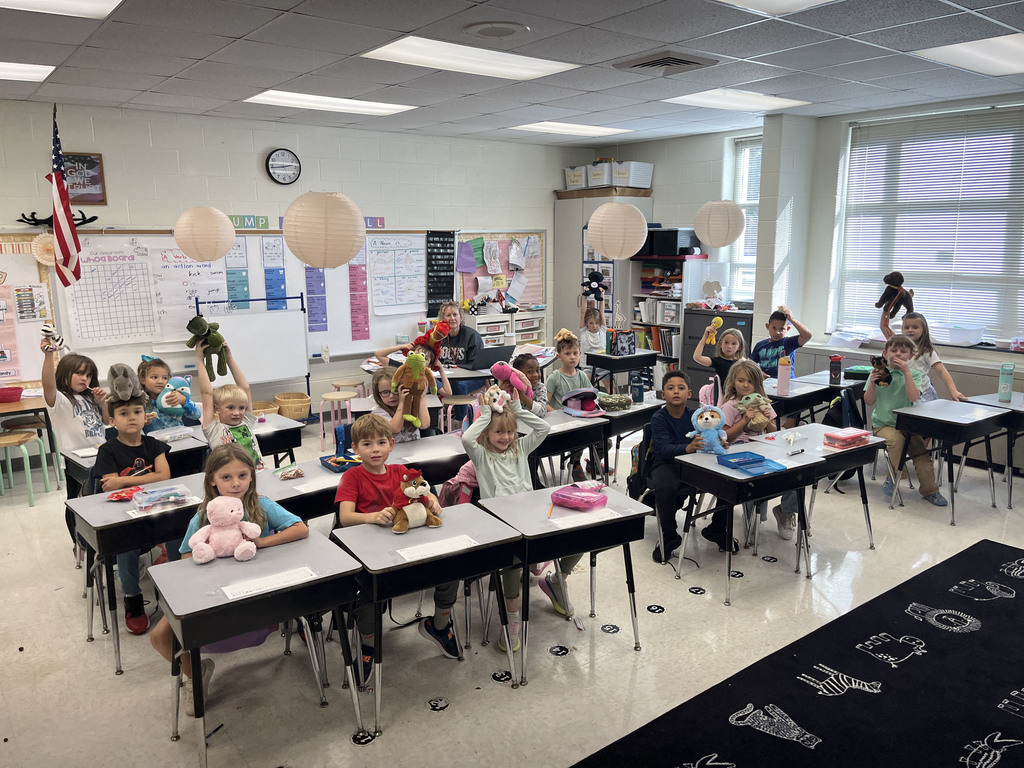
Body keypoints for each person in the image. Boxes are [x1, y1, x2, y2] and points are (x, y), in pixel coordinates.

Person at [149, 444, 309, 716]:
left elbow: (301, 528)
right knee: (160, 637)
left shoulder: (261, 506)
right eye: (226, 477)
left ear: (252, 478)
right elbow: (186, 554)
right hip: (213, 589)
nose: (236, 483)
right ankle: (194, 674)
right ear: (212, 480)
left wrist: (263, 542)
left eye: (243, 476)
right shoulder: (204, 516)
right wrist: (206, 561)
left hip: (256, 590)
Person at [335, 414, 460, 679]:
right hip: (370, 552)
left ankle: (439, 625)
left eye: (381, 442)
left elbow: (424, 495)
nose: (375, 449)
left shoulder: (401, 473)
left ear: (392, 444)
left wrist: (432, 503)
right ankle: (368, 645)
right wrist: (371, 516)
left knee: (450, 569)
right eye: (367, 444)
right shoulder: (351, 477)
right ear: (355, 449)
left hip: (405, 546)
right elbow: (345, 517)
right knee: (367, 594)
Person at [463, 388, 553, 648]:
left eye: (510, 431)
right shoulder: (481, 456)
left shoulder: (520, 449)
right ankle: (512, 618)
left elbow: (543, 428)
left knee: (573, 535)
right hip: (500, 524)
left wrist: (517, 408)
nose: (506, 437)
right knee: (513, 562)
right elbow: (468, 440)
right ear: (487, 434)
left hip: (528, 517)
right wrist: (486, 414)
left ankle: (554, 578)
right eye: (499, 432)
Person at [94, 388, 171, 635]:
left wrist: (125, 481)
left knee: (181, 531)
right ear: (112, 421)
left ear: (145, 415)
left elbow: (164, 476)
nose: (132, 417)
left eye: (137, 412)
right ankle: (133, 598)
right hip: (124, 514)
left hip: (156, 508)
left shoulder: (154, 444)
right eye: (124, 413)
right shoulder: (107, 450)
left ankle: (177, 589)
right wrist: (139, 481)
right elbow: (109, 485)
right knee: (127, 546)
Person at [718, 360, 799, 541]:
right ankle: (753, 518)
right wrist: (744, 420)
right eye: (741, 381)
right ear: (733, 382)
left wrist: (768, 421)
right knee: (755, 476)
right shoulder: (729, 406)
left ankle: (786, 510)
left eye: (750, 382)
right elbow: (725, 436)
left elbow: (774, 433)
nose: (746, 385)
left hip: (763, 445)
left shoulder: (762, 402)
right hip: (739, 449)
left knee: (797, 471)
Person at [864, 334, 948, 506]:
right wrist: (872, 384)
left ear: (911, 356)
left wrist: (907, 372)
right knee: (896, 441)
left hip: (907, 425)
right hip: (883, 424)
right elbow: (869, 401)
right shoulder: (878, 373)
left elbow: (913, 396)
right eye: (893, 351)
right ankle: (895, 475)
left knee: (923, 459)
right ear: (885, 353)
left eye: (903, 352)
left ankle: (930, 491)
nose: (898, 355)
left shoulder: (915, 375)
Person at [40, 342, 106, 501]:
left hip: (100, 456)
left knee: (101, 498)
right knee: (77, 502)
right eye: (79, 373)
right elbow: (48, 384)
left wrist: (103, 401)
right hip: (76, 462)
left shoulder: (91, 397)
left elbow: (107, 419)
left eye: (89, 375)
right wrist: (48, 356)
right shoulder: (60, 400)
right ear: (64, 374)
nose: (85, 378)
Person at [648, 371, 701, 563]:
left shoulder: (695, 416)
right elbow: (662, 450)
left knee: (723, 480)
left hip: (692, 463)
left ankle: (719, 529)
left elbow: (707, 435)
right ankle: (669, 536)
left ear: (689, 393)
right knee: (665, 486)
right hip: (665, 463)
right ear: (663, 394)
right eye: (670, 388)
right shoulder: (658, 418)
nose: (676, 391)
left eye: (681, 388)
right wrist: (687, 448)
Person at [196, 341, 264, 471]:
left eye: (241, 408)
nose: (237, 413)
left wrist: (229, 359)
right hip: (232, 480)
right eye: (230, 408)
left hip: (257, 476)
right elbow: (207, 393)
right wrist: (200, 360)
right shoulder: (214, 430)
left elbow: (246, 388)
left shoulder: (246, 421)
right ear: (216, 409)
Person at [880, 310, 967, 403]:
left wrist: (953, 391)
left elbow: (942, 371)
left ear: (923, 330)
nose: (910, 330)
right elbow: (883, 327)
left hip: (922, 393)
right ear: (902, 329)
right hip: (902, 391)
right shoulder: (897, 345)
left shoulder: (926, 351)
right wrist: (886, 309)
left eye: (915, 327)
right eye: (907, 327)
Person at [545, 328, 595, 482]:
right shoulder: (555, 377)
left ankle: (591, 463)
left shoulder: (581, 376)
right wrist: (556, 413)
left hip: (579, 419)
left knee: (603, 441)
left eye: (575, 353)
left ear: (580, 354)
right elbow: (545, 402)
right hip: (562, 422)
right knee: (577, 439)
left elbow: (590, 396)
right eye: (567, 354)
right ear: (559, 357)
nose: (572, 357)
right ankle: (575, 464)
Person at [436, 301, 483, 421]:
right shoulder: (438, 336)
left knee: (459, 385)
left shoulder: (472, 336)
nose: (452, 318)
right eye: (448, 315)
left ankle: (460, 421)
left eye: (455, 315)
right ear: (443, 318)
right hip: (446, 377)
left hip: (471, 378)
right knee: (427, 383)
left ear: (460, 317)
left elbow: (476, 364)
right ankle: (434, 421)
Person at [373, 328, 452, 398]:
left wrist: (441, 370)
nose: (419, 359)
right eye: (416, 354)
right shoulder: (401, 367)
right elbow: (378, 354)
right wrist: (401, 347)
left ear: (430, 365)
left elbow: (448, 393)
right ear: (410, 354)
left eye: (425, 358)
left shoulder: (427, 377)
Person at [138, 356, 201, 433]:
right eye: (154, 377)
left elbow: (197, 415)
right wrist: (141, 421)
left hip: (179, 438)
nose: (160, 381)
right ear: (143, 379)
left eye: (164, 378)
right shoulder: (140, 402)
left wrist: (184, 400)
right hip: (156, 443)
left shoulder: (173, 396)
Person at [750, 306, 812, 379]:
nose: (777, 332)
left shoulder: (789, 342)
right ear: (767, 326)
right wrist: (759, 372)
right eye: (774, 328)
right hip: (767, 381)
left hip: (787, 382)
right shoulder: (760, 345)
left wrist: (792, 320)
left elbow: (807, 336)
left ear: (788, 329)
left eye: (782, 329)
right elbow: (751, 365)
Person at [370, 367, 429, 443]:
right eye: (385, 392)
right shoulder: (378, 413)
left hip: (414, 451)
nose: (391, 396)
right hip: (392, 452)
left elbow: (424, 424)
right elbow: (395, 428)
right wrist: (402, 402)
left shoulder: (411, 406)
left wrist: (421, 398)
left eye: (395, 391)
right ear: (378, 394)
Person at [507, 352, 548, 417]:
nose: (535, 375)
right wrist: (501, 391)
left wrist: (521, 395)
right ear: (518, 374)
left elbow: (541, 412)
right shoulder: (509, 389)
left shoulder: (540, 387)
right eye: (530, 371)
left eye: (537, 370)